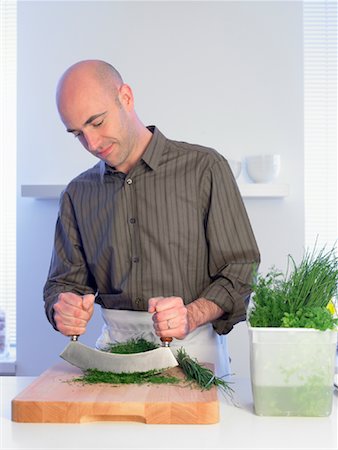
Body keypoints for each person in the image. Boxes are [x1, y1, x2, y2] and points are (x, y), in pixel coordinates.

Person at [44, 60, 260, 376]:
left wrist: (191, 314)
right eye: (77, 133)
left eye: (97, 122)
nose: (92, 143)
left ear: (126, 98)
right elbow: (62, 283)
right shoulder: (77, 194)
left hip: (195, 356)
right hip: (111, 360)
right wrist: (62, 309)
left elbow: (240, 270)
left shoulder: (205, 168)